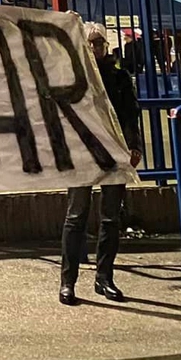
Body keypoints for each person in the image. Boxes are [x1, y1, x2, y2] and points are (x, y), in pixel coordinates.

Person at [59, 22, 144, 306]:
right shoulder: (73, 78)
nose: (95, 48)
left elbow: (130, 114)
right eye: (90, 43)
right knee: (76, 216)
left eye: (99, 43)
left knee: (110, 217)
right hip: (82, 153)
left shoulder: (119, 77)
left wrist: (134, 145)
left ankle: (104, 278)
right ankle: (68, 282)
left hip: (115, 153)